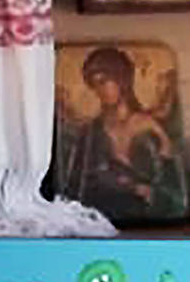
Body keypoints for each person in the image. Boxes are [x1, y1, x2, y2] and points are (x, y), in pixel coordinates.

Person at [60, 46, 181, 220]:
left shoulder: (150, 127)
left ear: (122, 80)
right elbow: (74, 189)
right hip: (100, 221)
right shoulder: (90, 133)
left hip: (148, 221)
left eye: (104, 81)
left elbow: (175, 192)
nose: (99, 90)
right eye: (94, 84)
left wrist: (142, 190)